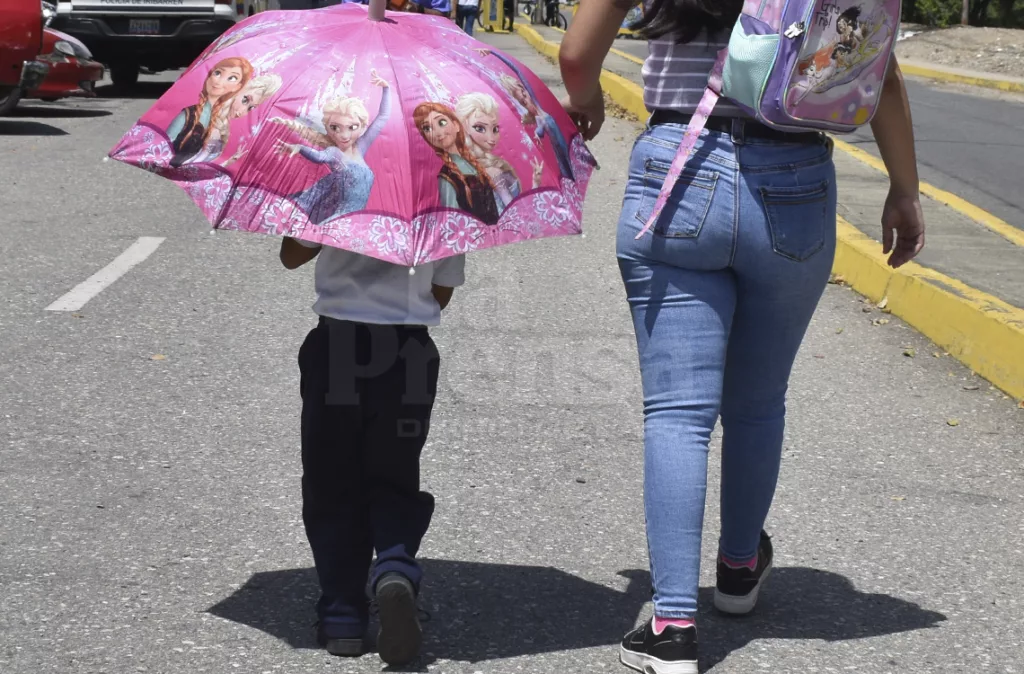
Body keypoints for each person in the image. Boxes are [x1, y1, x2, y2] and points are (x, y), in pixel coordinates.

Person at [559, 1, 926, 672]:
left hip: (680, 167)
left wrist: (585, 103)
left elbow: (579, 54)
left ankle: (672, 625)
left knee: (677, 413)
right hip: (795, 180)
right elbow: (881, 72)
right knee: (758, 403)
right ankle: (736, 570)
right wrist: (904, 188)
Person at [279, 234, 465, 666]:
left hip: (337, 349)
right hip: (408, 355)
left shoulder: (331, 179)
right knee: (395, 474)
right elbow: (441, 293)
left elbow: (291, 257)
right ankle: (395, 568)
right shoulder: (443, 194)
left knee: (331, 480)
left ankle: (343, 615)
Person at [270, 70, 390, 224]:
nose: (344, 135)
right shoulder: (334, 152)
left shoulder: (361, 147)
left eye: (352, 127)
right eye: (335, 128)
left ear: (362, 127)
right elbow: (319, 157)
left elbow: (383, 117)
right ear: (328, 128)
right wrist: (300, 148)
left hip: (356, 218)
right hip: (338, 217)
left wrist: (386, 88)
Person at [455, 91, 544, 212]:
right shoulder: (494, 173)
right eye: (480, 128)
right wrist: (535, 188)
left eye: (495, 128)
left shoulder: (462, 166)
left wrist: (535, 184)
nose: (491, 137)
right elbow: (515, 212)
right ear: (465, 127)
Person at [414, 101, 500, 225]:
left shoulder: (473, 163)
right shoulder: (447, 177)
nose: (438, 132)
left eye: (441, 122)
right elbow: (452, 222)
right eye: (427, 128)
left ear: (456, 125)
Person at [166, 57, 253, 167]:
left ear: (237, 87)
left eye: (232, 78)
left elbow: (214, 160)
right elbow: (163, 148)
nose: (219, 81)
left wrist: (230, 161)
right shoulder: (188, 115)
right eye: (217, 73)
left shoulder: (224, 122)